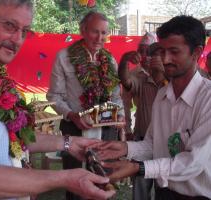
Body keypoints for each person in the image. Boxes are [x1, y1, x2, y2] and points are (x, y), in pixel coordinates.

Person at [0, 1, 116, 199]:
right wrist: (65, 179)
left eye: (25, 31)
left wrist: (69, 143)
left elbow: (13, 137)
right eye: (9, 25)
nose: (17, 39)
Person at [91, 15, 211, 200]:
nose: (165, 59)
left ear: (196, 53)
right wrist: (125, 148)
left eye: (174, 51)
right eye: (162, 51)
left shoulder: (207, 99)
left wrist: (139, 167)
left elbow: (193, 163)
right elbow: (154, 145)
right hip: (163, 192)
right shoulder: (163, 95)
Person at [46, 10, 124, 200]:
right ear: (83, 30)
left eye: (104, 33)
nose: (100, 37)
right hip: (74, 129)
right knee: (74, 186)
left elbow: (116, 96)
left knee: (103, 180)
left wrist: (120, 114)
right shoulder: (64, 57)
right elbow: (54, 96)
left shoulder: (110, 60)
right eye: (94, 31)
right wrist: (72, 115)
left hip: (106, 131)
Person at [119, 33, 166, 200]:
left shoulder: (172, 78)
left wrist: (163, 73)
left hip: (166, 142)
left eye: (152, 52)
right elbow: (125, 100)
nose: (147, 56)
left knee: (164, 186)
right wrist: (127, 129)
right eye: (143, 51)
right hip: (141, 137)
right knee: (140, 186)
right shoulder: (138, 76)